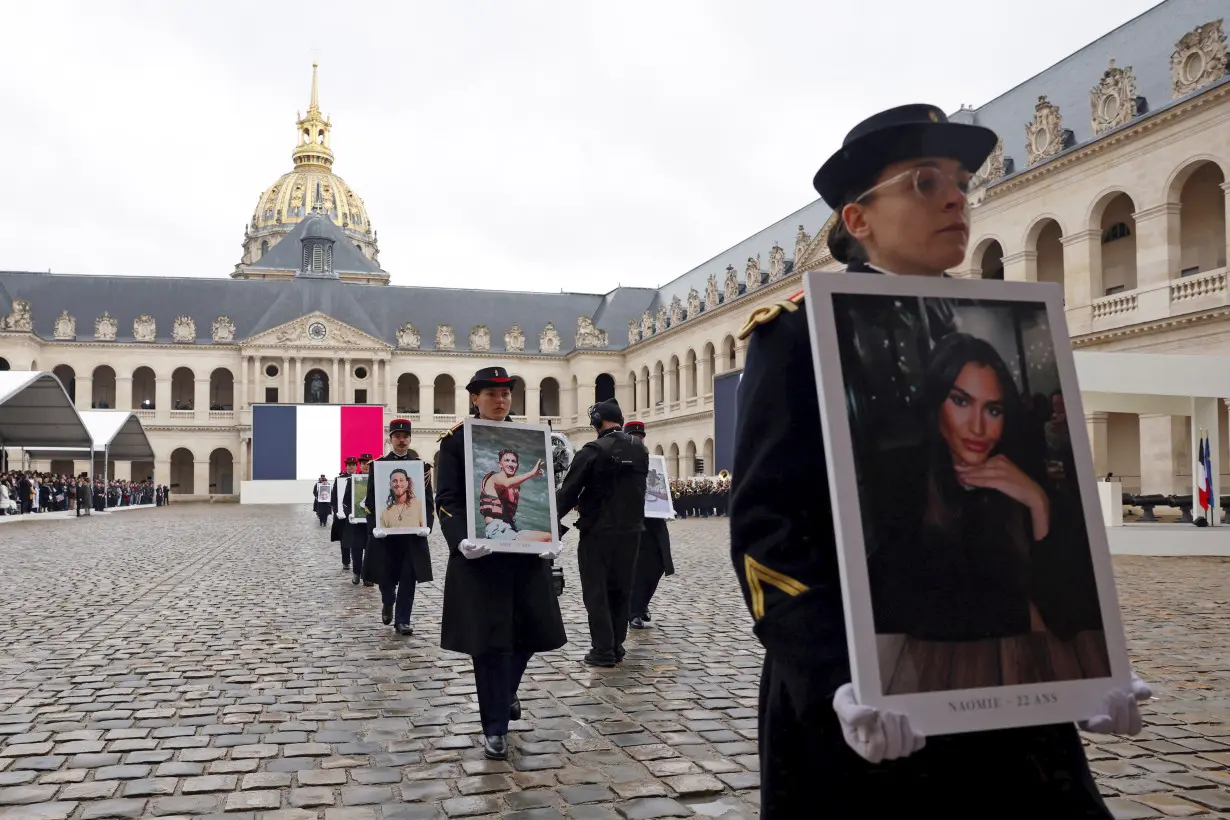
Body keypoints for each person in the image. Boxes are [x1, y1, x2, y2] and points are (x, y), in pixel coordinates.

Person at [730, 103, 1151, 818]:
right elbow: (769, 531)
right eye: (925, 182)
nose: (957, 196)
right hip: (868, 700)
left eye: (961, 181)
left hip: (1004, 687)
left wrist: (1087, 665)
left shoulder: (1005, 328)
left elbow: (1043, 553)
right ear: (857, 220)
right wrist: (835, 676)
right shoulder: (795, 335)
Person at [865, 333, 1108, 693]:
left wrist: (1038, 504)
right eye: (961, 401)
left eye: (993, 409)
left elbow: (1069, 615)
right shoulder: (901, 488)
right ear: (935, 404)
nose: (978, 428)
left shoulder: (1026, 484)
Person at [435, 366, 566, 761]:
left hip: (525, 560)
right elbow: (447, 499)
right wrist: (460, 541)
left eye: (506, 393)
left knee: (528, 634)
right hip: (482, 559)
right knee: (489, 645)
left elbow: (547, 493)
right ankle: (494, 727)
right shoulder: (456, 442)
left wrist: (553, 536)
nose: (501, 400)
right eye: (491, 393)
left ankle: (506, 691)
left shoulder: (527, 437)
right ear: (475, 398)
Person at [556, 398, 648, 667]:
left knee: (597, 592)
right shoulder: (640, 449)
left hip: (598, 532)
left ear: (597, 422)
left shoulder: (593, 450)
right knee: (621, 589)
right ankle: (617, 646)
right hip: (632, 532)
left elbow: (568, 493)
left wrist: (548, 522)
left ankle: (603, 650)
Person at [364, 419, 434, 635]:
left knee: (408, 577)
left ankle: (402, 619)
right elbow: (371, 501)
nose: (402, 440)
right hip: (387, 534)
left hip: (412, 534)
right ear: (390, 439)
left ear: (410, 438)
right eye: (397, 436)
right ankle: (387, 600)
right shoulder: (378, 466)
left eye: (405, 437)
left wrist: (427, 525)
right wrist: (374, 527)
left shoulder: (421, 467)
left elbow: (428, 501)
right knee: (386, 575)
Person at [623, 420, 674, 630]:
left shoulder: (652, 463)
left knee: (657, 565)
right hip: (631, 524)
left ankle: (642, 603)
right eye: (634, 436)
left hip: (655, 524)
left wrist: (668, 506)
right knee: (635, 569)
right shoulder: (621, 461)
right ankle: (634, 611)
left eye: (640, 436)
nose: (638, 439)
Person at [479, 449, 552, 542]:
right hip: (497, 531)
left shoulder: (515, 487)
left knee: (549, 537)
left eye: (513, 461)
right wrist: (531, 473)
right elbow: (506, 484)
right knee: (548, 538)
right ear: (500, 464)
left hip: (510, 529)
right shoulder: (495, 477)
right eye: (507, 460)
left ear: (517, 465)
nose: (510, 464)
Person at [341, 454, 375, 586]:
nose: (365, 465)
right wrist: (349, 513)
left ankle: (369, 576)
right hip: (357, 523)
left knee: (371, 549)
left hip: (372, 522)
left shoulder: (377, 479)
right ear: (359, 465)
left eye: (368, 463)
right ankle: (356, 572)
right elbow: (346, 501)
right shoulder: (352, 481)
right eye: (363, 463)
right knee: (356, 549)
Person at [330, 457, 356, 570]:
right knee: (344, 539)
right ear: (346, 466)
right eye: (349, 464)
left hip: (356, 515)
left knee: (357, 540)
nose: (351, 466)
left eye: (353, 464)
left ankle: (357, 562)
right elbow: (334, 498)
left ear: (356, 466)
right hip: (342, 514)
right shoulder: (339, 480)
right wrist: (336, 511)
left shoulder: (361, 478)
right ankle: (346, 561)